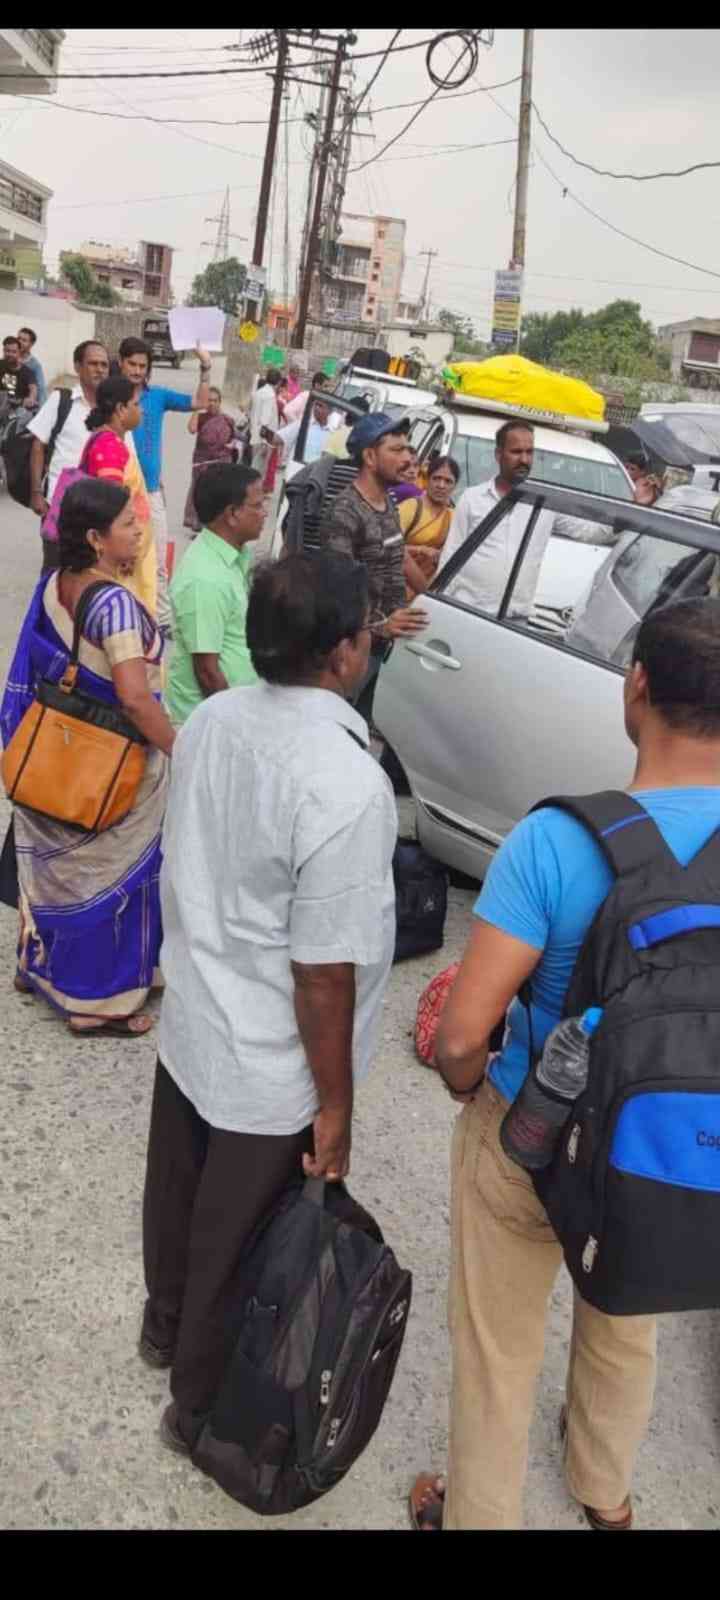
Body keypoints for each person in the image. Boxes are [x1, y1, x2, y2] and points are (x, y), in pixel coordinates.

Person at [409, 593, 720, 1532]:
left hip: (532, 1132)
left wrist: (471, 1090)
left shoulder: (557, 841)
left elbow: (466, 1032)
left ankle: (479, 1514)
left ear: (636, 689)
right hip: (670, 1142)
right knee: (628, 1318)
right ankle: (604, 1493)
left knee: (499, 1350)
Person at [140, 549, 398, 1458]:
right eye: (365, 627)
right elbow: (323, 971)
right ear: (342, 653)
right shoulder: (346, 785)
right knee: (236, 1234)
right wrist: (335, 1108)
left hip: (199, 1014)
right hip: (269, 1056)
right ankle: (196, 1405)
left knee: (176, 1189)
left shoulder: (212, 720)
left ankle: (163, 1327)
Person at [0, 478, 174, 1039]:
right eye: (128, 524)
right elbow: (132, 695)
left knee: (55, 867)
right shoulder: (117, 605)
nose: (140, 530)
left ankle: (37, 966)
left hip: (53, 749)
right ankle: (96, 1002)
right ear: (98, 539)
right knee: (112, 874)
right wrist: (182, 746)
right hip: (110, 761)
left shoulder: (58, 583)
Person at [319, 411, 428, 719]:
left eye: (408, 449)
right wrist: (380, 626)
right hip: (352, 651)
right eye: (396, 450)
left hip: (385, 648)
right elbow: (336, 591)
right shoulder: (345, 511)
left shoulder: (389, 502)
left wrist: (433, 597)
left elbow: (400, 556)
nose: (408, 458)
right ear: (369, 456)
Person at [118, 336, 212, 635]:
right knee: (117, 557)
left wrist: (206, 367)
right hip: (116, 493)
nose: (136, 370)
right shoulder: (109, 397)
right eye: (131, 363)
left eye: (142, 366)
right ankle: (120, 616)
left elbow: (199, 403)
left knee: (156, 555)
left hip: (151, 493)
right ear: (121, 362)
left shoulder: (157, 396)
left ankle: (160, 618)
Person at [167, 463, 264, 726]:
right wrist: (235, 728)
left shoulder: (232, 557)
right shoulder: (205, 578)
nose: (265, 513)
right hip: (205, 722)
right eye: (257, 505)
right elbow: (208, 672)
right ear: (232, 514)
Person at [28, 339, 110, 570]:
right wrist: (36, 493)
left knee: (89, 575)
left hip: (98, 511)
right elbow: (38, 445)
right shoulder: (61, 400)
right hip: (58, 506)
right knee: (54, 574)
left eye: (103, 365)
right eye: (93, 363)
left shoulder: (112, 409)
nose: (99, 369)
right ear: (78, 367)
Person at [79, 375, 158, 617]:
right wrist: (121, 553)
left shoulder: (111, 442)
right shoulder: (110, 447)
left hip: (128, 553)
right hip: (122, 561)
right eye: (136, 404)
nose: (141, 411)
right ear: (121, 409)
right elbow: (108, 509)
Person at [401, 455, 460, 598]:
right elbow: (383, 546)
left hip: (425, 594)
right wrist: (421, 550)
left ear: (455, 486)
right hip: (394, 586)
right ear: (427, 479)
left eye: (448, 481)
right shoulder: (410, 507)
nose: (441, 485)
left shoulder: (453, 517)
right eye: (436, 478)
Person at [183, 387, 239, 535]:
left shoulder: (227, 419)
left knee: (217, 495)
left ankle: (215, 525)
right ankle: (199, 523)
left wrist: (232, 445)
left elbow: (235, 438)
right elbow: (191, 429)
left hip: (221, 463)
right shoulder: (201, 418)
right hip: (202, 463)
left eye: (215, 401)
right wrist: (197, 409)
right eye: (209, 401)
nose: (212, 404)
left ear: (220, 402)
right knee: (201, 493)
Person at [263, 395, 332, 467]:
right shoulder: (303, 424)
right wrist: (264, 432)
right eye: (316, 405)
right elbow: (277, 438)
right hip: (295, 472)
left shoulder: (332, 432)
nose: (316, 408)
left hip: (315, 474)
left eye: (320, 406)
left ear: (329, 411)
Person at [249, 367, 283, 478]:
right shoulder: (270, 395)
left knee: (253, 470)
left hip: (255, 435)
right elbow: (265, 420)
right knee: (257, 474)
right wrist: (265, 442)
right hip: (263, 440)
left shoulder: (259, 393)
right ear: (278, 382)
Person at [0, 334, 36, 409]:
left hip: (17, 409)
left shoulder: (27, 372)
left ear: (19, 352)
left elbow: (33, 388)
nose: (10, 354)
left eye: (14, 352)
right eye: (7, 351)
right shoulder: (1, 365)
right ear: (3, 351)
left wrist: (31, 398)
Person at [17, 326, 46, 406]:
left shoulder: (35, 365)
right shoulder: (9, 358)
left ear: (31, 344)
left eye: (24, 340)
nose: (19, 342)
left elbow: (41, 390)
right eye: (18, 338)